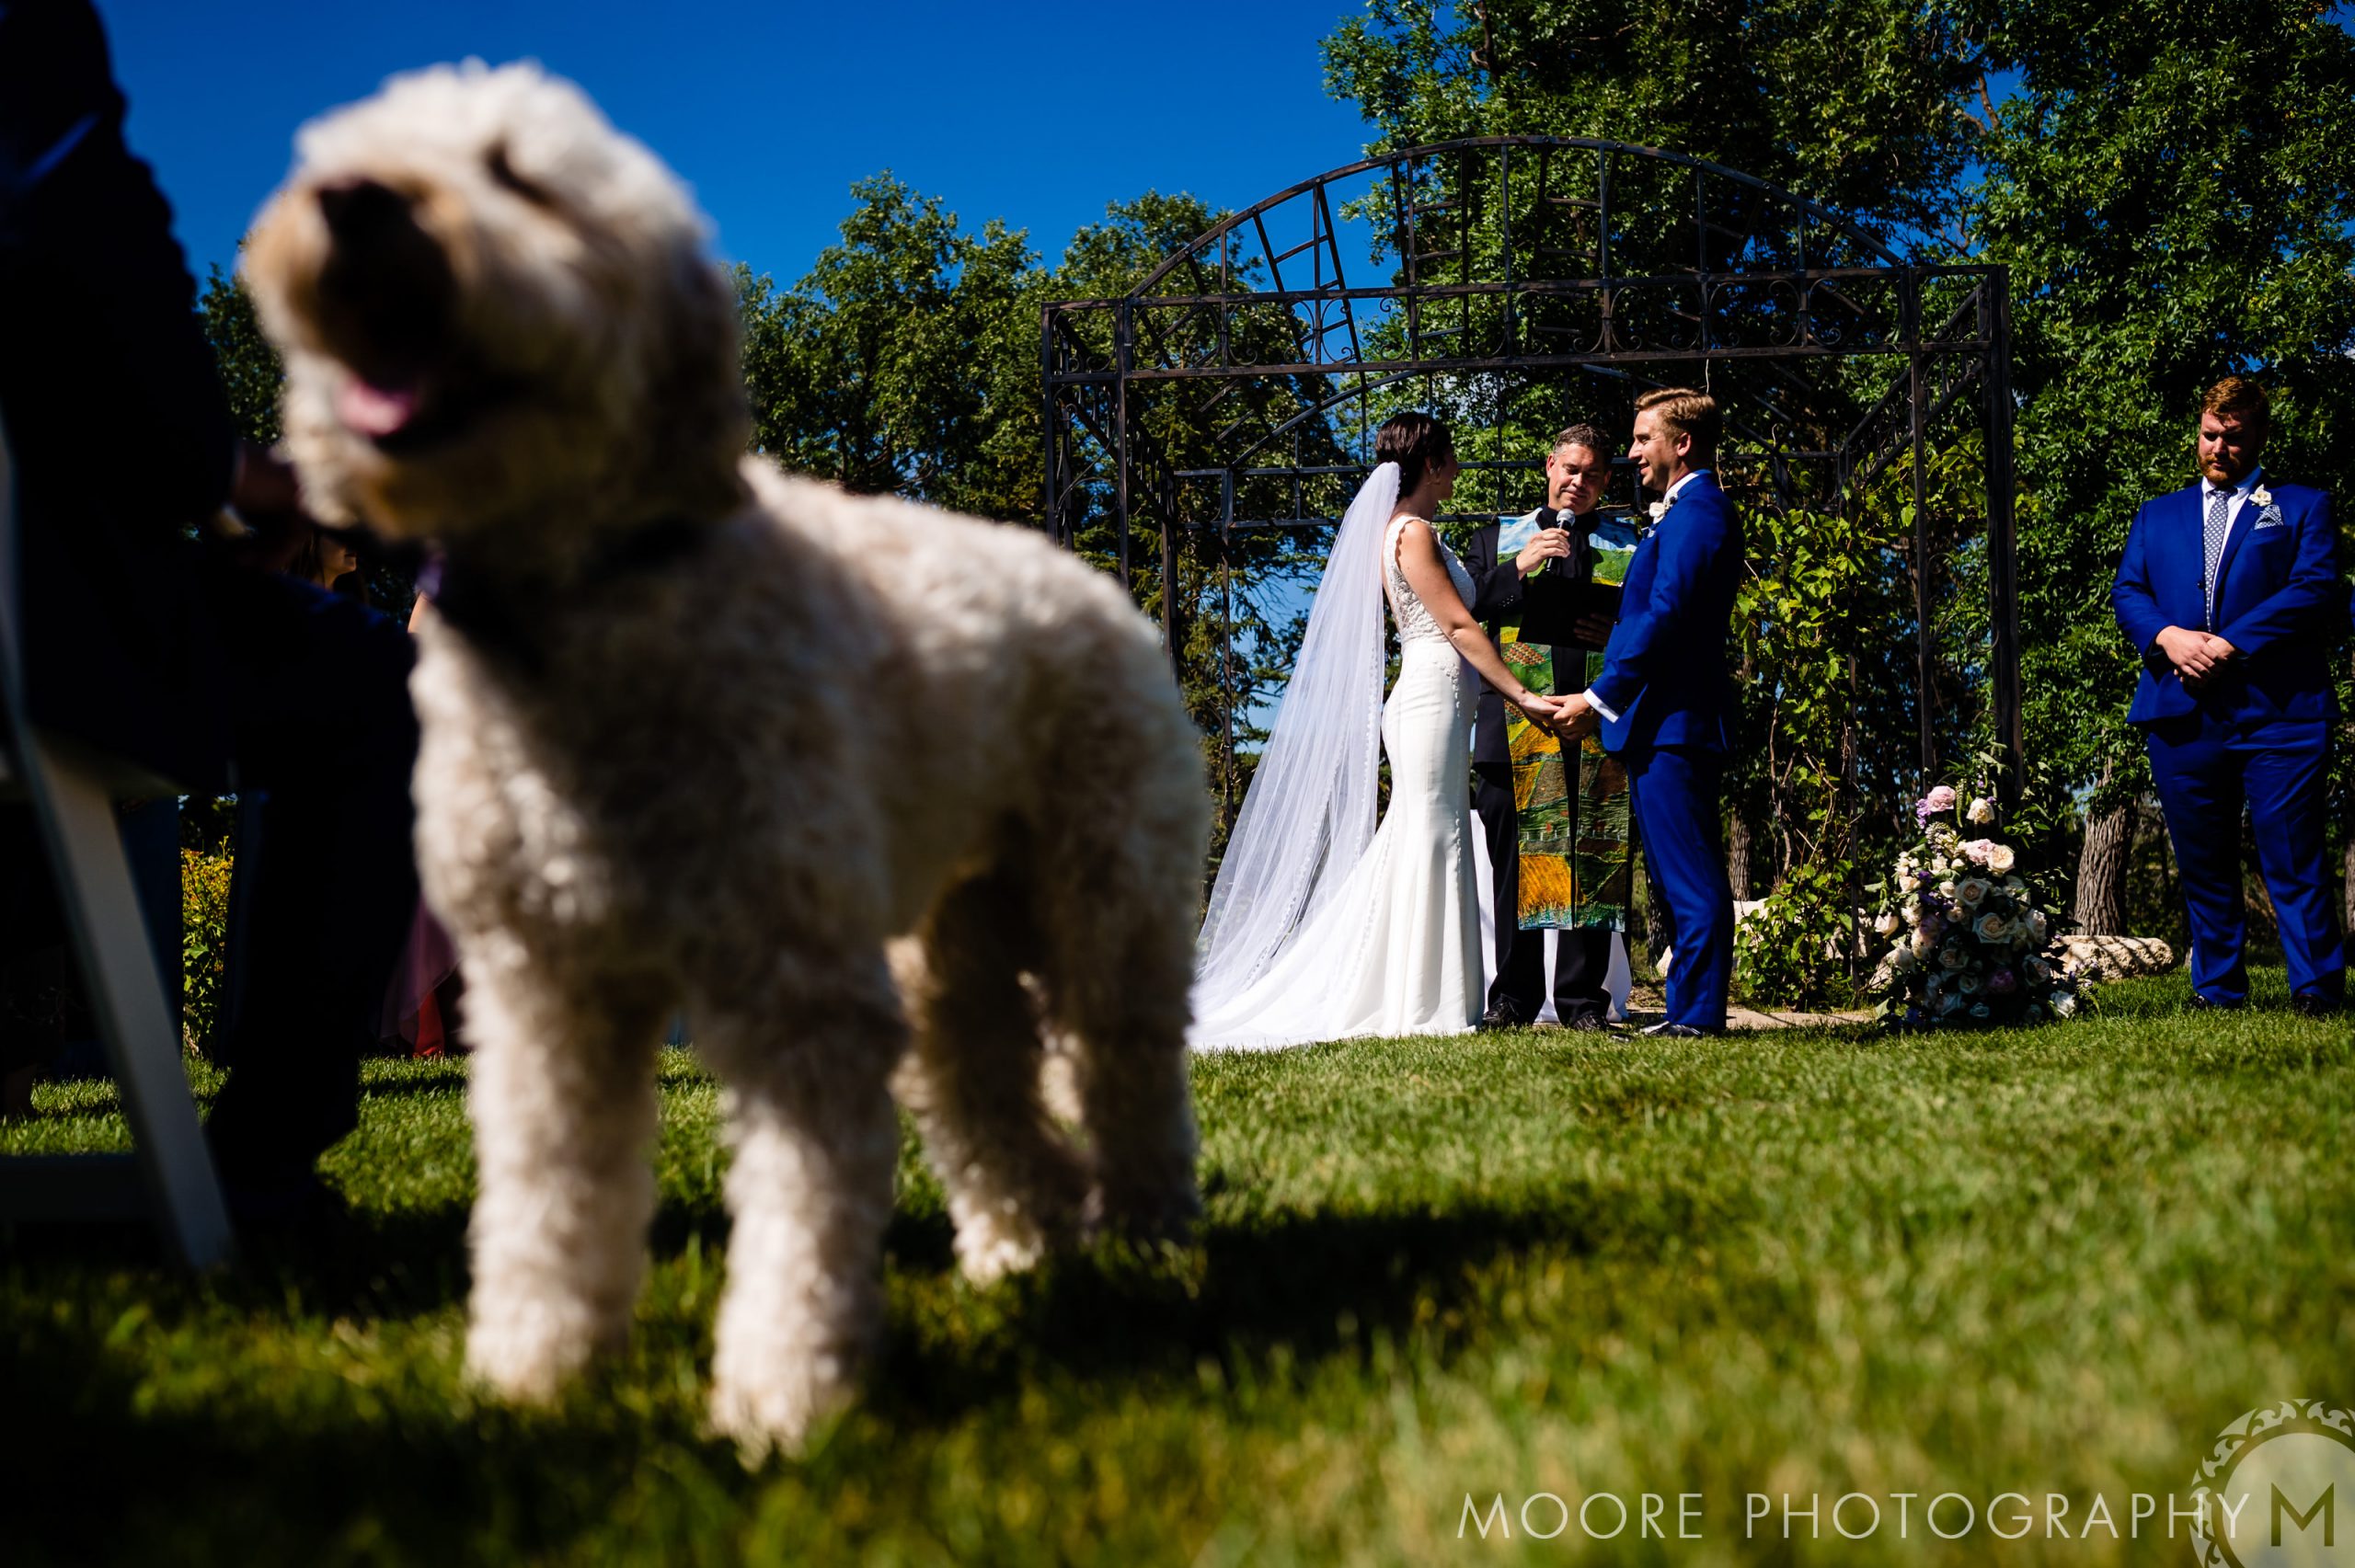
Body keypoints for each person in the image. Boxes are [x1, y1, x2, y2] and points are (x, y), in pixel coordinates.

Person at [0, 0, 420, 1224]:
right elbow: (62, 220)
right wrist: (222, 471)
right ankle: (266, 1157)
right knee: (373, 687)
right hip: (28, 610)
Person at [1189, 412, 1569, 1048]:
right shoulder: (1412, 532)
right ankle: (1421, 999)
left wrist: (1520, 570)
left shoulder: (1409, 530)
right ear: (1429, 463)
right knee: (1432, 833)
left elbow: (1465, 610)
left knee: (1432, 833)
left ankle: (1427, 992)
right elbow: (1457, 626)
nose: (1456, 468)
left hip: (1443, 696)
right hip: (1431, 695)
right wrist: (1524, 694)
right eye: (1449, 457)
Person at [2110, 376, 2345, 1014]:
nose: (2219, 448)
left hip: (2282, 714)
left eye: (2234, 438)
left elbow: (2315, 588)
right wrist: (2170, 638)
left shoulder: (2302, 506)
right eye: (2210, 435)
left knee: (2293, 855)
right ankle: (2217, 990)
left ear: (2259, 437)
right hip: (2181, 712)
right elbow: (2128, 591)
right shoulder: (2157, 514)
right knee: (2203, 861)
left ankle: (2317, 988)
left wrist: (2230, 643)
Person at [1554, 389, 1742, 1036]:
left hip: (1676, 723)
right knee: (1672, 875)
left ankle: (1698, 1016)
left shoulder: (1702, 512)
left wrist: (1600, 694)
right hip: (1659, 722)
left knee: (1690, 878)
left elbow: (1669, 613)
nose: (1630, 452)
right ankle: (1688, 1013)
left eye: (1641, 438)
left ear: (1681, 443)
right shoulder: (1678, 516)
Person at [1461, 425, 1626, 1029]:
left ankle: (1584, 1001)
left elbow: (1650, 622)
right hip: (1510, 730)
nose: (1577, 482)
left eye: (1590, 474)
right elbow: (1461, 616)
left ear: (1605, 481)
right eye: (1569, 469)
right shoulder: (1494, 540)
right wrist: (1518, 568)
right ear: (1549, 466)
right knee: (1513, 872)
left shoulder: (1628, 543)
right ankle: (1513, 996)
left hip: (1596, 726)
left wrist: (1613, 636)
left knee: (1593, 859)